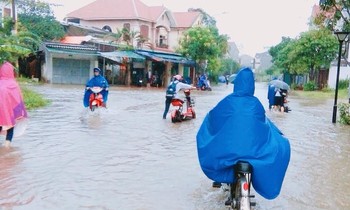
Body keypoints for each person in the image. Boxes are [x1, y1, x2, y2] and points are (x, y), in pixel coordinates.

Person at [196, 67, 290, 200]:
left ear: (238, 83)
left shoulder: (227, 101)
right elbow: (264, 125)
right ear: (252, 85)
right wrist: (279, 136)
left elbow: (213, 118)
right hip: (254, 155)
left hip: (229, 153)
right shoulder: (256, 104)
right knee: (283, 145)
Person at [0, 61, 28, 148]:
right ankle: (6, 148)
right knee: (10, 128)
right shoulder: (14, 84)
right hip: (8, 112)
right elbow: (19, 100)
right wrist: (21, 112)